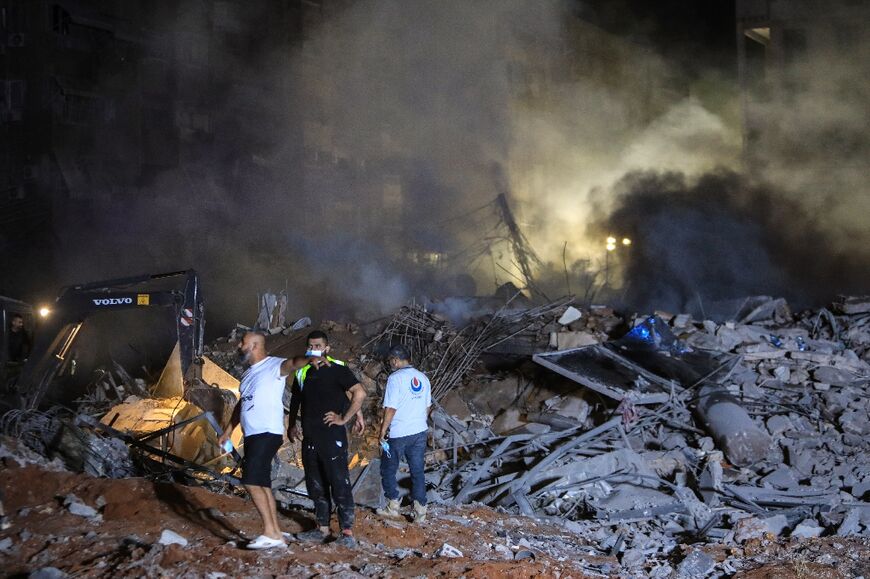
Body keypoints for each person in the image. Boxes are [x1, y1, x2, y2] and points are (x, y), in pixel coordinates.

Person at [218, 332, 320, 550]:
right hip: (253, 435)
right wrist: (228, 431)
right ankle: (275, 532)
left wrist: (310, 357)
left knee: (251, 480)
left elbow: (293, 363)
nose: (238, 345)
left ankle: (271, 533)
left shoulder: (273, 366)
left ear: (254, 345)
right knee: (261, 483)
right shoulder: (247, 375)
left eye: (242, 342)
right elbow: (241, 405)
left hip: (266, 432)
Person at [287, 330, 366, 547]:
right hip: (310, 436)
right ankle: (321, 528)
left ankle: (347, 533)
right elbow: (296, 400)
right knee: (316, 483)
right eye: (311, 346)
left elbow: (358, 393)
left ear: (327, 348)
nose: (315, 350)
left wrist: (345, 418)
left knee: (339, 482)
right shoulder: (302, 372)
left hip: (332, 436)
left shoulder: (337, 369)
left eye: (319, 346)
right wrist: (293, 424)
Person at [376, 344, 431, 523]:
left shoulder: (395, 378)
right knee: (417, 472)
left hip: (399, 434)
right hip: (419, 432)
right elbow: (428, 407)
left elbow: (391, 408)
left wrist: (383, 431)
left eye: (392, 360)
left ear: (396, 360)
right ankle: (420, 513)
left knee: (388, 469)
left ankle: (393, 507)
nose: (391, 363)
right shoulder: (423, 377)